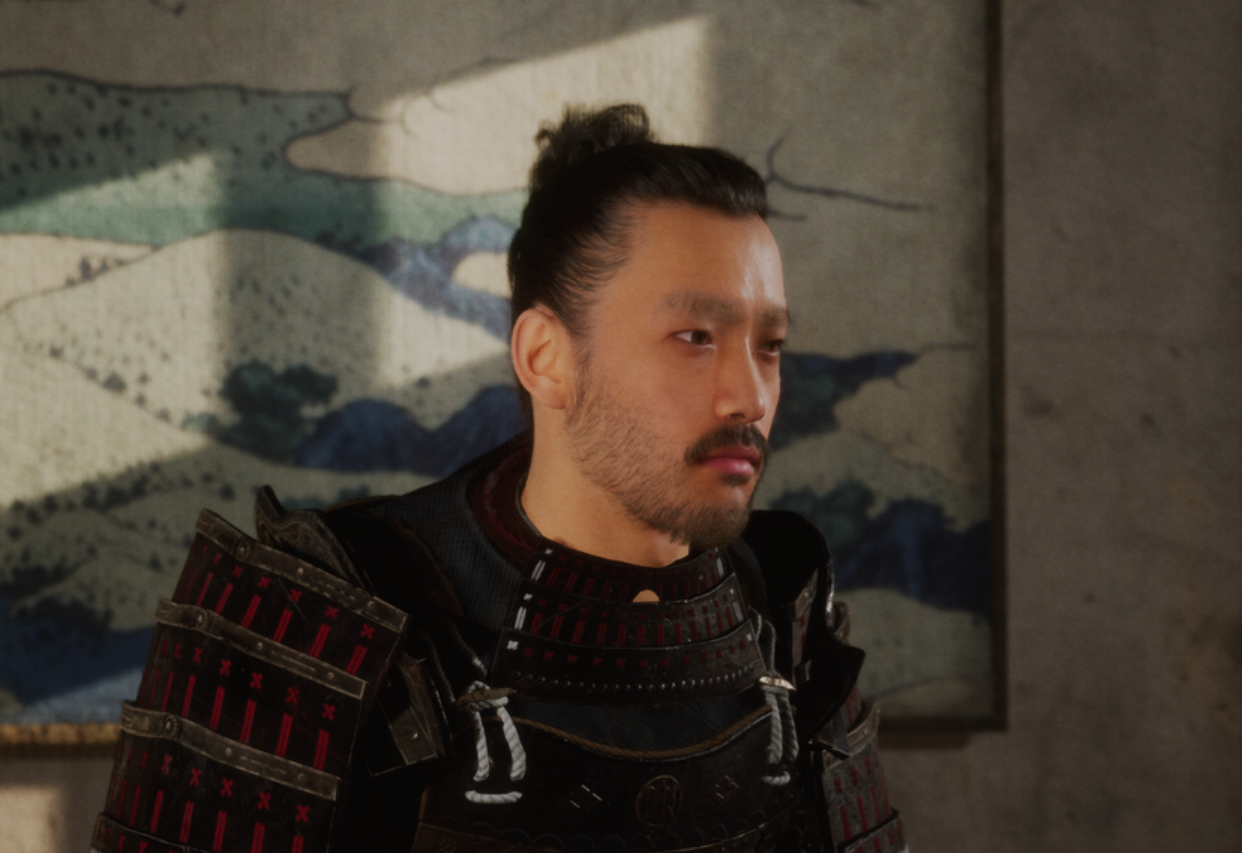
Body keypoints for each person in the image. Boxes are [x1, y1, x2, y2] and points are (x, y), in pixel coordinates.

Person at [90, 104, 905, 853]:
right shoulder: (320, 618)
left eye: (770, 345)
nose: (751, 395)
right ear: (546, 358)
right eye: (696, 336)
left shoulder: (782, 607)